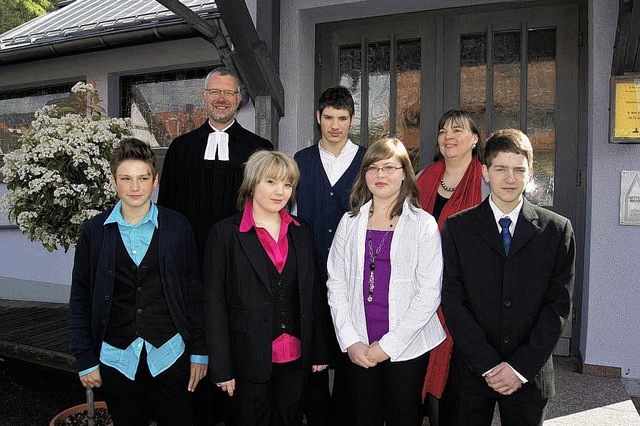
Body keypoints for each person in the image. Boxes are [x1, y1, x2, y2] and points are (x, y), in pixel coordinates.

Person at [69, 138, 207, 426]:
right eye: (126, 179)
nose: (135, 187)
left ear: (155, 181)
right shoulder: (94, 232)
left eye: (143, 178)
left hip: (170, 354)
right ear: (113, 181)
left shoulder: (178, 226)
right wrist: (84, 357)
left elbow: (195, 293)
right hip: (117, 358)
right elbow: (81, 297)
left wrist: (200, 351)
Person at [441, 129, 575, 425]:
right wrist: (488, 364)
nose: (510, 178)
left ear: (530, 173)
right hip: (473, 372)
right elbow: (452, 300)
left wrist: (518, 368)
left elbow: (558, 306)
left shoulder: (557, 230)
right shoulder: (458, 228)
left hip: (530, 374)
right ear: (485, 172)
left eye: (519, 169)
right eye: (500, 169)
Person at [203, 150, 330, 425]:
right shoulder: (224, 234)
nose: (280, 191)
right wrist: (221, 367)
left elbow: (314, 293)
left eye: (287, 184)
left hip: (296, 354)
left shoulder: (301, 230)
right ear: (251, 184)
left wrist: (319, 349)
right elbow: (214, 305)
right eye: (271, 182)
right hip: (247, 357)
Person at [326, 137, 445, 425]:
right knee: (363, 416)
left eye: (390, 167)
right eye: (373, 168)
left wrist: (387, 346)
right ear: (364, 174)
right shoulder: (349, 222)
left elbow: (429, 294)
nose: (380, 175)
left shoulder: (423, 224)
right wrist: (351, 341)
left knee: (402, 417)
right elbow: (336, 284)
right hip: (359, 345)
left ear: (405, 173)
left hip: (407, 346)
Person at [293, 86, 365, 425]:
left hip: (355, 273)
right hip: (309, 271)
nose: (335, 126)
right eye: (328, 118)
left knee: (351, 348)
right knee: (313, 350)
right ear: (317, 118)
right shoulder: (301, 161)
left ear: (352, 120)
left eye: (342, 119)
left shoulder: (369, 161)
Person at [157, 66, 273, 255]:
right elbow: (166, 207)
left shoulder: (259, 149)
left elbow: (268, 207)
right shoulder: (180, 148)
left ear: (238, 98)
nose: (221, 98)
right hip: (190, 254)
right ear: (204, 96)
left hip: (244, 255)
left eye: (228, 92)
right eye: (215, 92)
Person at [416, 110, 485, 425]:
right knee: (421, 363)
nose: (448, 136)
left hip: (466, 295)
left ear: (474, 139)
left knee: (455, 375)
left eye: (458, 130)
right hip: (424, 289)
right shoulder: (425, 177)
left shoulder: (485, 180)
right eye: (443, 130)